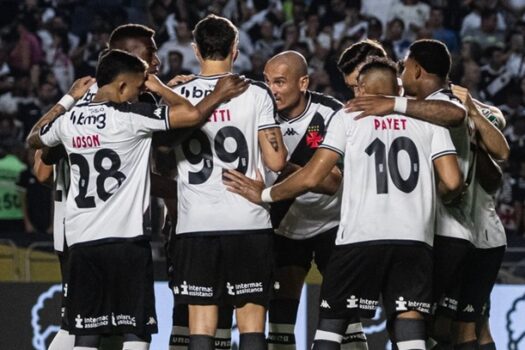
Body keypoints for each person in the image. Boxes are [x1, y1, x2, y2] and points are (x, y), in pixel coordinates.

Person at [224, 56, 463, 350]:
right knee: (410, 330)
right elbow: (453, 182)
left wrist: (263, 194)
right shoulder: (428, 120)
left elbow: (314, 177)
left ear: (361, 90)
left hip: (357, 238)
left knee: (331, 327)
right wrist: (421, 197)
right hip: (413, 238)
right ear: (399, 90)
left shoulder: (346, 116)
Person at [26, 49, 247, 350]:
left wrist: (67, 99)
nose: (138, 93)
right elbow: (191, 114)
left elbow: (34, 137)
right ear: (120, 87)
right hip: (126, 242)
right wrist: (165, 87)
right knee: (136, 331)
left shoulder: (69, 121)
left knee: (86, 335)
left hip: (82, 243)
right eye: (136, 87)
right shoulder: (131, 117)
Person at [167, 14, 287, 350]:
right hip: (247, 220)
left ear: (195, 50)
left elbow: (162, 157)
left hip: (196, 224)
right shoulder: (256, 93)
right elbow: (277, 160)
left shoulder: (178, 95)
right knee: (251, 329)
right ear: (235, 50)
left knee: (202, 329)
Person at [262, 51, 367, 350]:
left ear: (303, 82)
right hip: (284, 227)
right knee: (280, 318)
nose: (273, 90)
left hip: (332, 225)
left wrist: (282, 165)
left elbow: (332, 182)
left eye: (280, 82)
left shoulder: (332, 113)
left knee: (345, 316)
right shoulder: (259, 112)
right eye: (267, 81)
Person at [450, 86, 509, 350]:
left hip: (480, 236)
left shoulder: (485, 115)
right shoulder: (432, 112)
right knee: (466, 325)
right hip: (450, 233)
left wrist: (475, 142)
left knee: (468, 325)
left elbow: (494, 179)